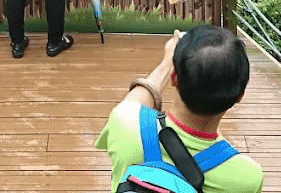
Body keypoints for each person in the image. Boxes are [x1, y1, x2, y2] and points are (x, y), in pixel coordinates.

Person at [97, 27, 264, 193]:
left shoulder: (124, 124)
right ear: (240, 96)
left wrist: (167, 62)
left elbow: (135, 101)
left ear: (174, 78)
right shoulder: (248, 178)